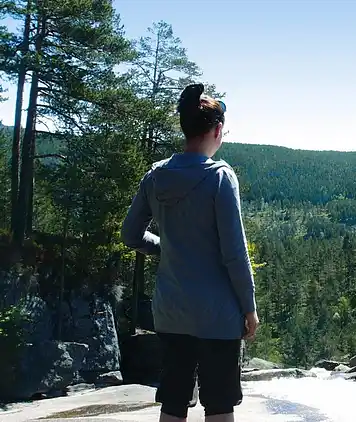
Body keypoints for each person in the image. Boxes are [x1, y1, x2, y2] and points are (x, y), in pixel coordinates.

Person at [121, 83, 259, 422]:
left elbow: (130, 235)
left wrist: (164, 247)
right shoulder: (220, 177)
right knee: (219, 406)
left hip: (171, 312)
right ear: (216, 130)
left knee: (173, 402)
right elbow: (234, 253)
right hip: (218, 316)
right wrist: (249, 308)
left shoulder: (155, 175)